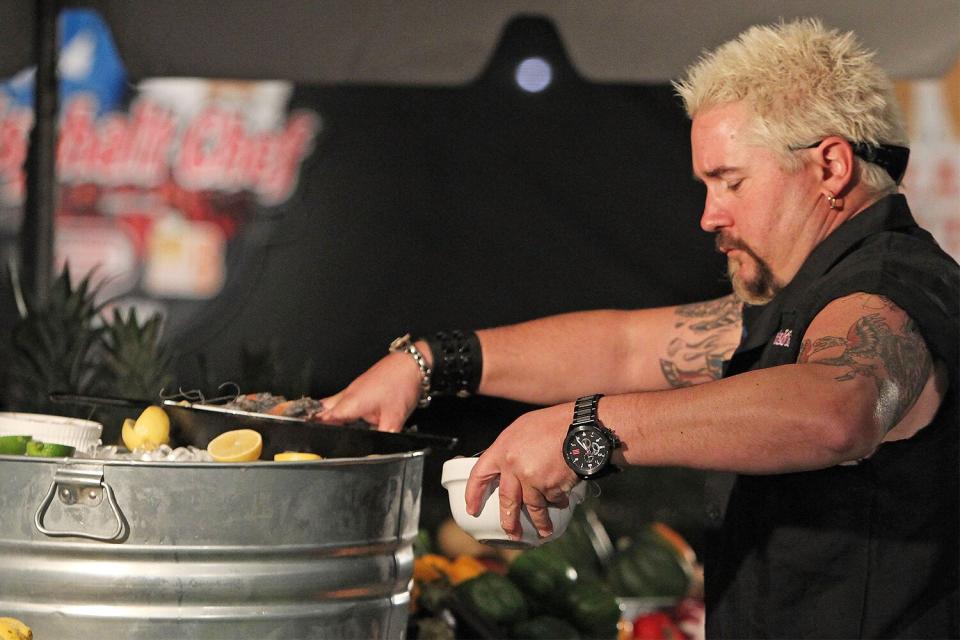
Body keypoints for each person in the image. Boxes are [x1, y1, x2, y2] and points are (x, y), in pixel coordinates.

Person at [317, 19, 959, 637]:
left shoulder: (891, 289)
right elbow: (625, 346)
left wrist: (586, 430)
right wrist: (432, 361)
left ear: (830, 167)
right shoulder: (812, 300)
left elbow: (835, 412)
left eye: (730, 182)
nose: (709, 216)